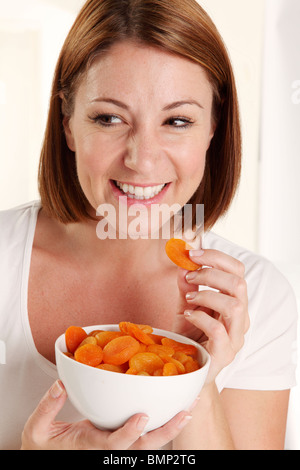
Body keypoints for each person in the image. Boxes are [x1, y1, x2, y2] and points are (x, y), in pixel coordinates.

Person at [0, 0, 297, 450]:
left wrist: (201, 376)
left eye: (177, 121)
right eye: (109, 118)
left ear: (213, 129)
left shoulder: (255, 297)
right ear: (67, 124)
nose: (142, 160)